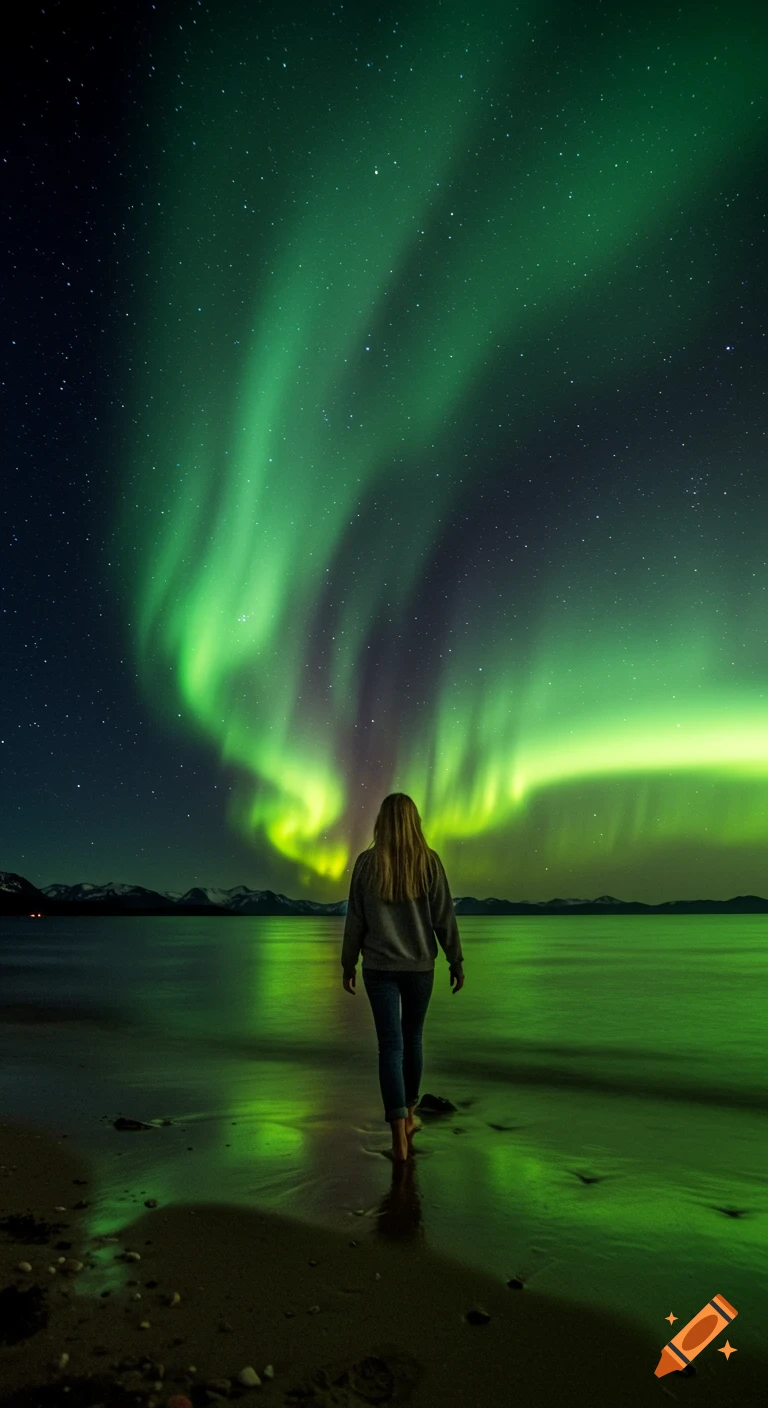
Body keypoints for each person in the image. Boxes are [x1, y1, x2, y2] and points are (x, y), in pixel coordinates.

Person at [340, 793, 464, 1163]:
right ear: (414, 822)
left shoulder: (366, 864)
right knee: (412, 1041)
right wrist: (455, 959)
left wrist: (348, 964)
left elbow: (355, 921)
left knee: (389, 1048)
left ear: (382, 821)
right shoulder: (429, 862)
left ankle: (398, 1136)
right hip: (419, 967)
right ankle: (410, 1117)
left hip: (378, 968)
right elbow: (444, 916)